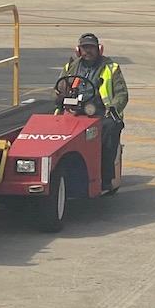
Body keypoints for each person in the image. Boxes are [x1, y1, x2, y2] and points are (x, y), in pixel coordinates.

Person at [56, 32, 127, 191]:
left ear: (99, 50)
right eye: (84, 48)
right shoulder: (69, 68)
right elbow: (58, 90)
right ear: (78, 50)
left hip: (101, 111)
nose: (88, 51)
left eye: (91, 48)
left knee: (110, 128)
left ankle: (106, 176)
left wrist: (113, 108)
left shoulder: (111, 68)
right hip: (74, 109)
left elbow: (122, 94)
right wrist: (59, 95)